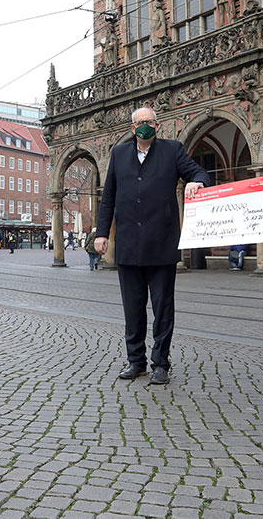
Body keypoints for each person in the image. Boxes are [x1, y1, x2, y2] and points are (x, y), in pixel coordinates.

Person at [94, 107, 210, 385]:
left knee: (162, 310)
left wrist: (196, 182)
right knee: (132, 310)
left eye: (149, 122)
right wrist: (101, 233)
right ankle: (136, 362)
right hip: (128, 245)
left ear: (157, 126)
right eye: (139, 123)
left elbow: (199, 172)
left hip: (161, 244)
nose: (145, 126)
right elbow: (108, 197)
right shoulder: (119, 154)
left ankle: (161, 363)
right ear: (132, 128)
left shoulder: (172, 150)